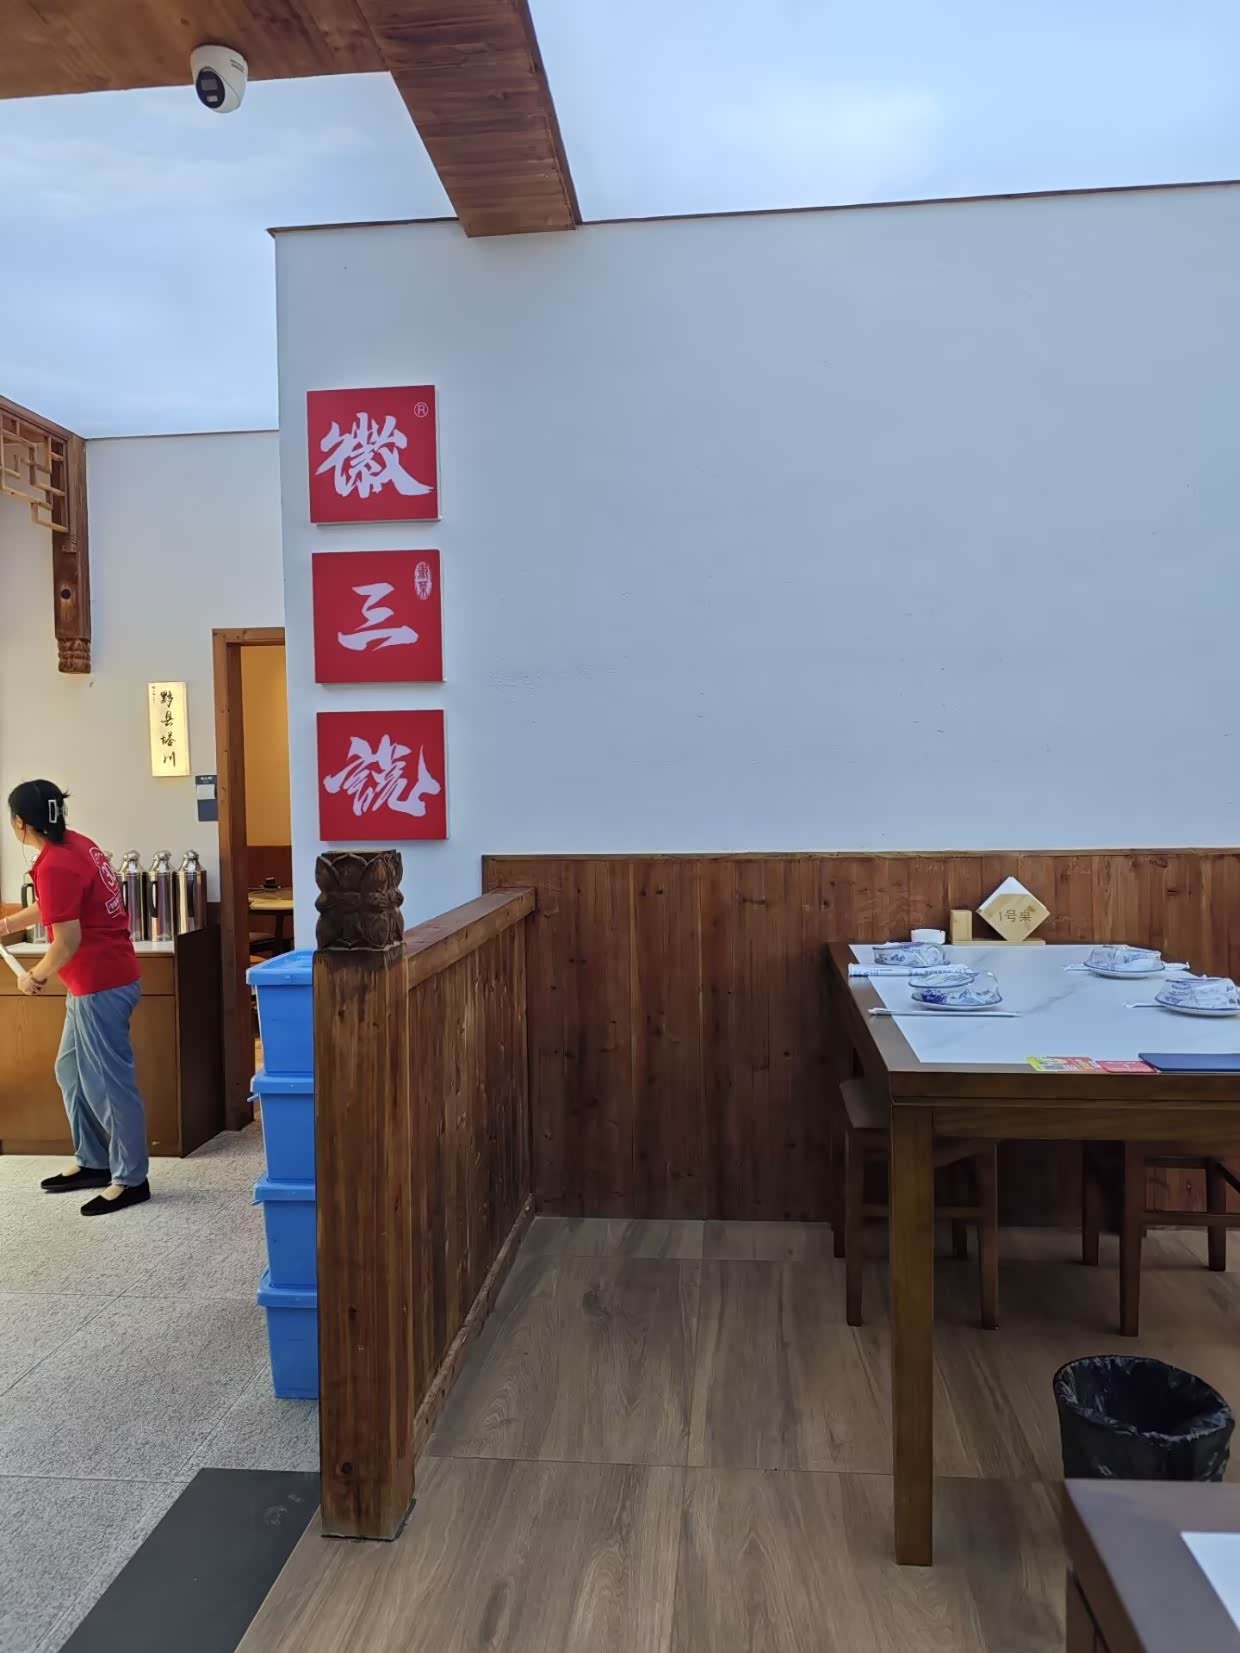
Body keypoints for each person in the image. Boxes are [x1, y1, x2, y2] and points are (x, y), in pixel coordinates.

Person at [1, 780, 150, 1214]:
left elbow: (66, 942)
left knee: (108, 1084)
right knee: (70, 1070)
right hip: (95, 981)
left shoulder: (55, 863)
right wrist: (6, 925)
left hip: (100, 984)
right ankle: (94, 1160)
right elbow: (56, 906)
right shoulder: (76, 845)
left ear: (20, 823)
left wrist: (34, 977)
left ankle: (131, 1179)